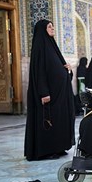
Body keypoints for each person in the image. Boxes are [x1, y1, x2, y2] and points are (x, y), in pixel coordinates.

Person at [24, 19, 75, 161]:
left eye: (53, 26)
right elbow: (40, 72)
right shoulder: (40, 48)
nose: (53, 29)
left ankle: (58, 147)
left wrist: (68, 71)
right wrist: (44, 92)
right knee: (48, 121)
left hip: (60, 94)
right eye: (49, 27)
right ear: (42, 30)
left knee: (58, 121)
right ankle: (46, 150)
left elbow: (60, 69)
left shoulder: (53, 47)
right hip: (49, 95)